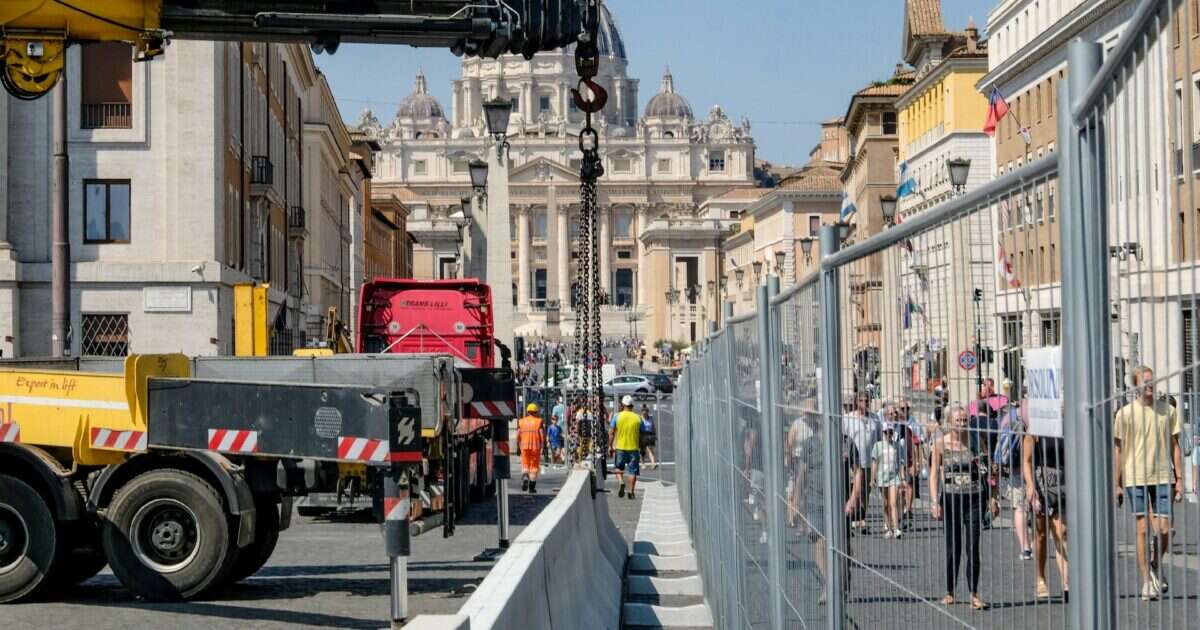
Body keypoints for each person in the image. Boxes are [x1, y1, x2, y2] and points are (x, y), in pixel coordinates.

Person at [1114, 366, 1184, 601]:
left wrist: (1180, 479)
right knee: (1142, 528)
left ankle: (1155, 563)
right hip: (1136, 478)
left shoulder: (1168, 411)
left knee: (1165, 529)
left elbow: (1176, 446)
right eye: (1145, 382)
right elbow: (1119, 450)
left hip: (1163, 475)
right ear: (1135, 386)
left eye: (1152, 381)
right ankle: (1146, 581)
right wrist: (1117, 482)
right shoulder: (1124, 414)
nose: (1150, 385)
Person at [930, 405, 997, 610]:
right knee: (953, 547)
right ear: (950, 422)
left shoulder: (977, 442)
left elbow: (989, 472)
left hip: (974, 498)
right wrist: (934, 501)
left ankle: (973, 593)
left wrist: (993, 498)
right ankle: (950, 590)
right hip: (951, 499)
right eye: (958, 421)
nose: (962, 424)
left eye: (965, 420)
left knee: (973, 547)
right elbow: (933, 474)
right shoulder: (940, 444)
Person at [1022, 404, 1068, 602]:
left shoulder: (1067, 428)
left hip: (1063, 483)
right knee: (1041, 535)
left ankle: (1067, 583)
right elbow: (1026, 460)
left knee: (1062, 532)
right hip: (1042, 483)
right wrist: (1031, 486)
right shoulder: (1035, 430)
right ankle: (1040, 577)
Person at [995, 393, 1033, 562]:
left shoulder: (1009, 415)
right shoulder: (1033, 411)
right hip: (1033, 465)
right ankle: (1035, 542)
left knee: (1020, 507)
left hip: (1014, 467)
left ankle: (1025, 546)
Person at [843, 392, 879, 534]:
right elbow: (843, 437)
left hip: (869, 459)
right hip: (853, 459)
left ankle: (862, 518)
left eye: (867, 401)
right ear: (857, 402)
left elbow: (878, 438)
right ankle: (852, 516)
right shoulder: (848, 418)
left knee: (866, 490)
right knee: (853, 489)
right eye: (862, 400)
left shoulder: (875, 418)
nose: (865, 403)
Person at [871, 422, 906, 538]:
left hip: (894, 477)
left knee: (893, 503)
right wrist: (872, 478)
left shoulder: (897, 446)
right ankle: (888, 528)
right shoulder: (878, 445)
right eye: (886, 432)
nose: (889, 434)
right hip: (882, 477)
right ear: (883, 433)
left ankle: (896, 529)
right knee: (885, 504)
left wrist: (902, 478)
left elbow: (901, 462)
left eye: (891, 432)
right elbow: (874, 463)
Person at [609, 395, 644, 499]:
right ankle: (631, 491)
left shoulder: (617, 416)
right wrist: (641, 448)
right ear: (632, 405)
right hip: (634, 449)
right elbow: (642, 435)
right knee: (632, 471)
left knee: (618, 468)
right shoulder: (638, 418)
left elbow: (611, 432)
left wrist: (610, 446)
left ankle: (621, 482)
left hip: (620, 448)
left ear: (622, 405)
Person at [518, 403, 545, 493]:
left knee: (525, 464)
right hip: (535, 448)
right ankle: (532, 488)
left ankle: (525, 476)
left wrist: (518, 446)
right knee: (533, 467)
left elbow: (518, 435)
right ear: (536, 412)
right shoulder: (539, 421)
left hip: (524, 447)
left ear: (527, 411)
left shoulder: (521, 422)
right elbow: (542, 436)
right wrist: (543, 446)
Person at [639, 403, 659, 470]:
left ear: (647, 411)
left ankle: (653, 463)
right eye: (643, 411)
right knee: (642, 451)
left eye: (646, 411)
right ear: (641, 412)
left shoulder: (650, 417)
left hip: (650, 434)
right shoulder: (639, 418)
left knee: (650, 449)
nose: (645, 413)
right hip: (642, 435)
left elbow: (653, 426)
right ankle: (642, 464)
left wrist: (655, 434)